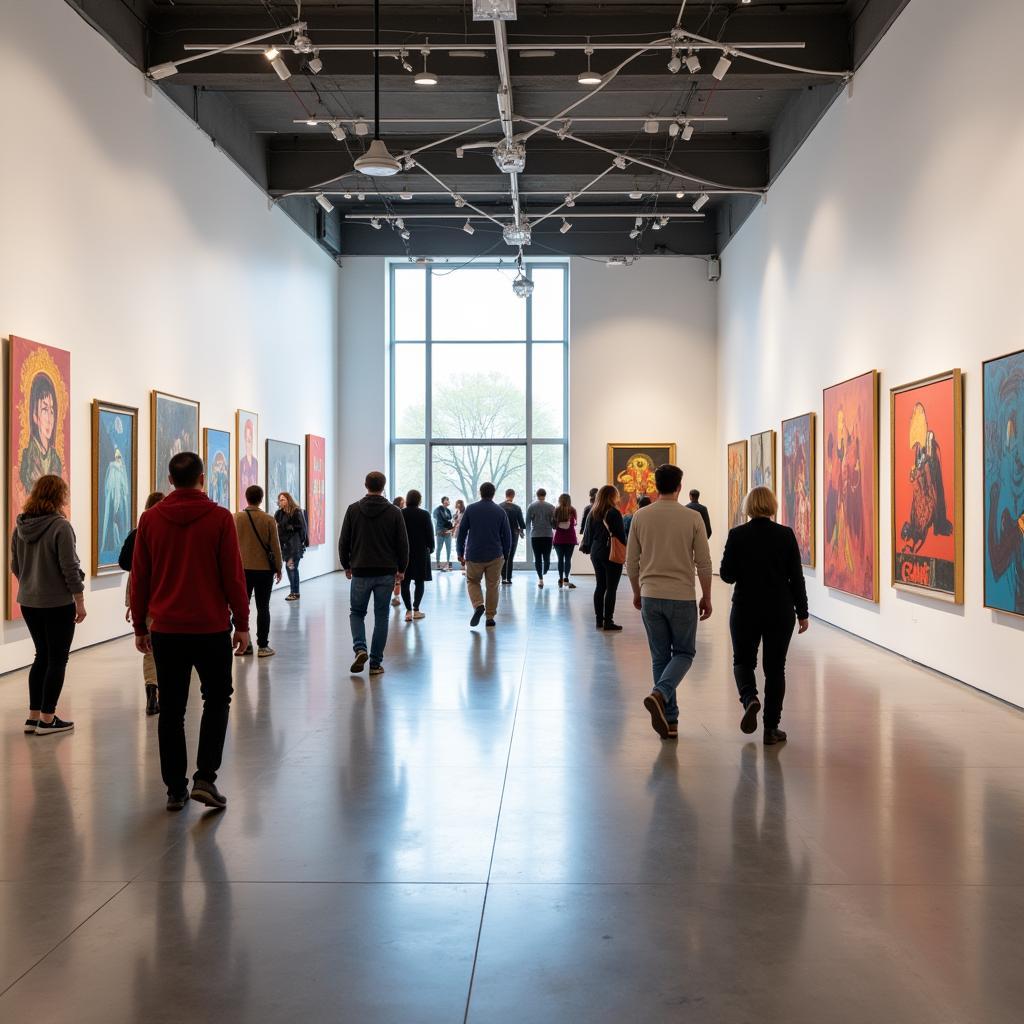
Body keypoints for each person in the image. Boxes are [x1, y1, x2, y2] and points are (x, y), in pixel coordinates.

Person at [130, 452, 250, 811]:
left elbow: (141, 578)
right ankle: (205, 778)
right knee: (217, 700)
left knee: (172, 709)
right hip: (211, 628)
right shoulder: (219, 519)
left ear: (170, 481)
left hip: (166, 630)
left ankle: (174, 790)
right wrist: (242, 623)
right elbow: (233, 576)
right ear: (203, 478)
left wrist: (139, 625)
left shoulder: (150, 520)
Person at [626, 464, 713, 741]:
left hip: (651, 594)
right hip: (682, 596)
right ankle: (661, 695)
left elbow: (631, 561)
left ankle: (671, 719)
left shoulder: (641, 516)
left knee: (660, 657)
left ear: (655, 485)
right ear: (679, 486)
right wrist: (707, 595)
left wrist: (637, 591)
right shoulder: (692, 517)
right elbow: (704, 562)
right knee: (684, 653)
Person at [719, 486, 809, 745]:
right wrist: (802, 612)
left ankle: (750, 698)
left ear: (748, 507)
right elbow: (796, 577)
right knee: (775, 668)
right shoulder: (785, 535)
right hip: (780, 609)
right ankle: (771, 729)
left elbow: (727, 575)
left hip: (746, 607)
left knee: (743, 661)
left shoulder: (737, 535)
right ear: (772, 506)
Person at [11, 474, 86, 735]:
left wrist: (32, 584)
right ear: (59, 496)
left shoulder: (19, 527)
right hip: (57, 603)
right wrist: (80, 601)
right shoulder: (60, 527)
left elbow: (15, 566)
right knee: (57, 659)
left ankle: (33, 717)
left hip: (29, 602)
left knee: (41, 655)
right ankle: (48, 718)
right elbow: (70, 568)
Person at [339, 471, 409, 676]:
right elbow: (403, 544)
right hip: (386, 572)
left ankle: (360, 648)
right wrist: (402, 569)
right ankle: (376, 663)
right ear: (384, 485)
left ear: (365, 485)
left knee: (357, 612)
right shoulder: (394, 512)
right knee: (382, 616)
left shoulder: (353, 510)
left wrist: (346, 565)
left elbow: (344, 541)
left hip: (360, 570)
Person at [119, 490, 165, 714]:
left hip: (144, 596)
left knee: (150, 649)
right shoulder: (168, 532)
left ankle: (151, 692)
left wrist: (133, 604)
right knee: (164, 647)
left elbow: (126, 564)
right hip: (163, 596)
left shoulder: (137, 533)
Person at [234, 485, 283, 658]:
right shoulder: (268, 519)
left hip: (242, 569)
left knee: (242, 606)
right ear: (261, 499)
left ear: (246, 498)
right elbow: (275, 547)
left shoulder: (236, 518)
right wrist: (279, 567)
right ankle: (263, 646)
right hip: (264, 570)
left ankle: (245, 644)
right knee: (263, 607)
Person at [457, 482, 512, 628]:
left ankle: (478, 604)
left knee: (472, 581)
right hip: (495, 554)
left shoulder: (471, 509)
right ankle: (490, 617)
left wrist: (460, 552)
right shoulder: (500, 511)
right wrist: (505, 554)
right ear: (493, 494)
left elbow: (461, 532)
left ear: (480, 492)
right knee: (493, 585)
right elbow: (507, 536)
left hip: (474, 554)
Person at [582, 484, 627, 631]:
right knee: (611, 588)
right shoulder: (613, 512)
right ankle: (608, 621)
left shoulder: (593, 512)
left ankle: (598, 620)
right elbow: (621, 535)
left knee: (600, 585)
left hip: (596, 551)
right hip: (611, 552)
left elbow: (587, 533)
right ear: (612, 496)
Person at [400, 490, 434, 621]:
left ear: (407, 499)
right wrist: (431, 548)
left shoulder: (401, 513)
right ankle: (416, 609)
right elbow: (430, 534)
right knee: (419, 581)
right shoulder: (424, 514)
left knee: (404, 582)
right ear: (419, 500)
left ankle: (408, 611)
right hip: (421, 552)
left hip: (404, 553)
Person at [275, 492, 308, 602]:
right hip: (284, 546)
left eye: (283, 499)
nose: (281, 501)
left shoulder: (296, 511)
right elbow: (277, 528)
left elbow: (302, 528)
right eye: (280, 499)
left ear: (289, 500)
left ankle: (294, 592)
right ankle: (295, 592)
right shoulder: (278, 514)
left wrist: (301, 542)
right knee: (291, 568)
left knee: (291, 567)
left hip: (294, 546)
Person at [526, 488, 555, 588]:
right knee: (546, 556)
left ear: (537, 495)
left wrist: (528, 533)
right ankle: (546, 567)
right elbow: (554, 522)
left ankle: (540, 579)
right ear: (545, 495)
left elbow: (528, 521)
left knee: (537, 557)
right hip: (547, 534)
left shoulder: (531, 506)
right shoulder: (551, 507)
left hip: (536, 535)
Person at [552, 493, 579, 589]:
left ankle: (560, 579)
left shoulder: (556, 510)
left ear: (560, 500)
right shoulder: (573, 510)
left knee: (560, 559)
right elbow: (575, 523)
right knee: (568, 559)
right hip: (570, 538)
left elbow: (554, 525)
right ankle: (566, 578)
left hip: (559, 538)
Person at [500, 488, 526, 584]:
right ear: (513, 496)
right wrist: (521, 531)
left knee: (503, 556)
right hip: (513, 534)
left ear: (505, 495)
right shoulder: (517, 508)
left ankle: (503, 577)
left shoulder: (499, 507)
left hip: (501, 535)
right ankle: (509, 578)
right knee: (510, 557)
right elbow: (522, 524)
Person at [391, 497, 406, 604]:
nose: (404, 504)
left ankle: (396, 597)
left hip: (394, 550)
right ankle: (395, 597)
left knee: (396, 577)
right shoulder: (397, 513)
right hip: (394, 550)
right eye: (403, 502)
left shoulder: (395, 513)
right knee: (396, 577)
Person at [433, 496, 454, 571]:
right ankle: (438, 564)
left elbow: (450, 521)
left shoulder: (448, 510)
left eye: (448, 500)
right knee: (439, 548)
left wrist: (450, 529)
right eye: (446, 500)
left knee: (449, 548)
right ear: (443, 501)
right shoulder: (437, 510)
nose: (447, 501)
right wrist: (438, 531)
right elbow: (435, 520)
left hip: (448, 532)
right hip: (440, 532)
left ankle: (448, 564)